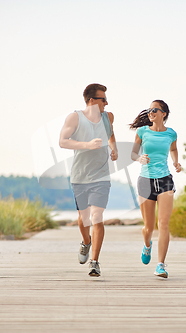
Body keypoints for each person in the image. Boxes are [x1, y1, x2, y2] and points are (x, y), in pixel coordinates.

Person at [59, 83, 118, 277]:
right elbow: (63, 141)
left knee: (97, 217)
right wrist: (87, 144)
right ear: (92, 101)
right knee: (84, 218)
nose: (107, 103)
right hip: (79, 176)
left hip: (101, 176)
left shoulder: (108, 117)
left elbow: (110, 133)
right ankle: (86, 242)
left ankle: (95, 261)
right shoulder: (74, 117)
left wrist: (113, 148)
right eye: (103, 99)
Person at [130, 100, 181, 278]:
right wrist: (139, 159)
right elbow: (133, 154)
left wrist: (175, 162)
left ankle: (160, 265)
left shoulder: (171, 133)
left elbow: (173, 149)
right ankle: (147, 245)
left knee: (164, 224)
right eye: (149, 110)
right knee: (148, 228)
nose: (150, 112)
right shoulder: (142, 131)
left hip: (165, 179)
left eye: (154, 110)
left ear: (163, 114)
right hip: (145, 180)